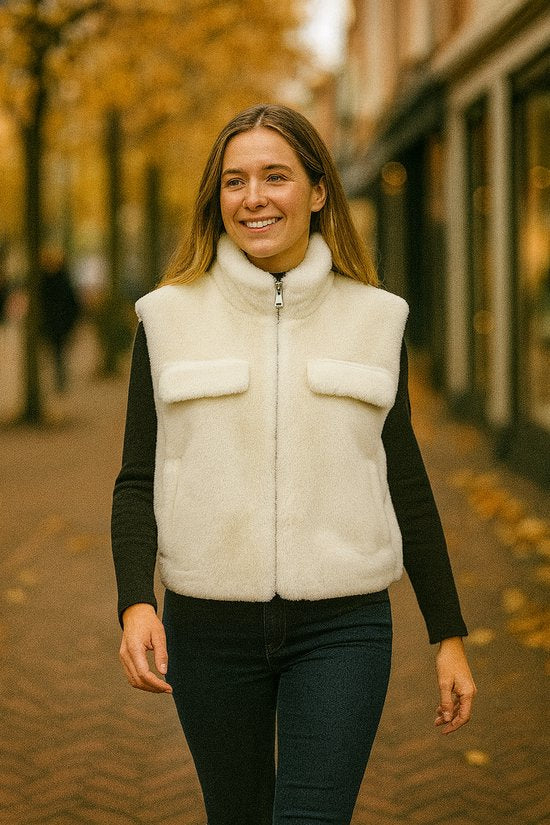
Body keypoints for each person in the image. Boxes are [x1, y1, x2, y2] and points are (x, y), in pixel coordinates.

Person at [111, 103, 476, 825]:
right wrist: (135, 600)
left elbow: (403, 479)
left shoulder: (377, 319)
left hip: (343, 628)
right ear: (217, 197)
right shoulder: (166, 318)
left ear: (317, 191)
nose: (253, 197)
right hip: (207, 630)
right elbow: (137, 478)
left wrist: (449, 634)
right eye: (235, 180)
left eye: (275, 176)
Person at [38, 247, 81, 392]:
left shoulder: (46, 281)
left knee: (57, 354)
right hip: (56, 325)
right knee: (57, 354)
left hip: (57, 325)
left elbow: (72, 305)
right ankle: (59, 381)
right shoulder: (61, 280)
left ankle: (59, 381)